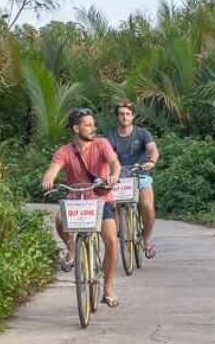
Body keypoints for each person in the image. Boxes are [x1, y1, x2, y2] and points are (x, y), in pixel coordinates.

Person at [41, 107, 123, 307]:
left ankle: (109, 288)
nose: (92, 128)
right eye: (88, 125)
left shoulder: (101, 144)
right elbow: (53, 169)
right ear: (76, 129)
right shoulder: (65, 151)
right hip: (76, 200)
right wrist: (49, 179)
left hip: (101, 198)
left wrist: (114, 175)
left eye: (93, 125)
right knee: (60, 219)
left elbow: (115, 163)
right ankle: (71, 249)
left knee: (112, 241)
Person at [107, 100, 161, 258]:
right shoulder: (111, 135)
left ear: (133, 116)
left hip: (140, 173)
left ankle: (147, 238)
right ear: (117, 116)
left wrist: (151, 162)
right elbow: (107, 154)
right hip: (119, 175)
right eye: (121, 114)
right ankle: (115, 239)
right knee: (112, 206)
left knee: (147, 205)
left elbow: (153, 150)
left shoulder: (142, 133)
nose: (124, 117)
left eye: (127, 114)